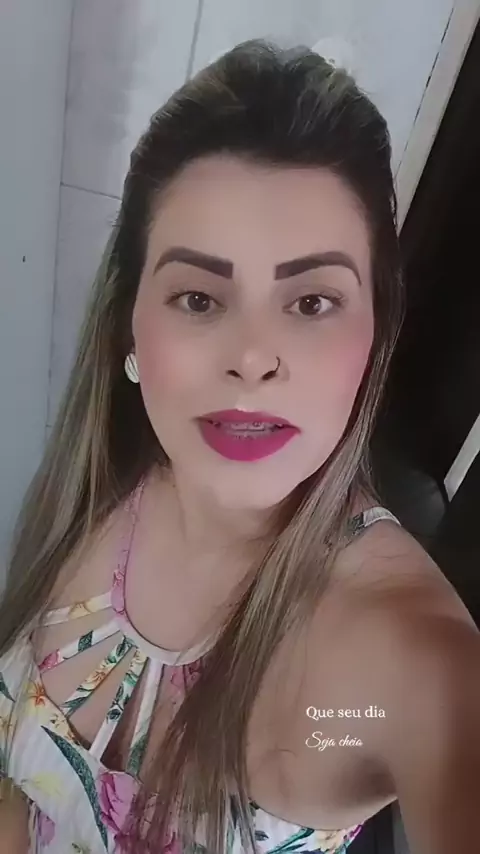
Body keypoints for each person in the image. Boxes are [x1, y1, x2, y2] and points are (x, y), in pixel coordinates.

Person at [0, 39, 479, 854]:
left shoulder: (412, 664)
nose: (252, 358)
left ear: (377, 332)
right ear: (129, 324)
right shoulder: (99, 478)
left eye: (312, 302)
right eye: (198, 297)